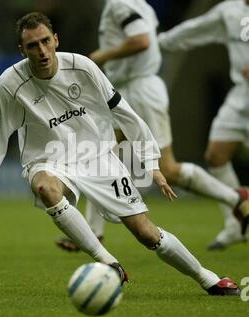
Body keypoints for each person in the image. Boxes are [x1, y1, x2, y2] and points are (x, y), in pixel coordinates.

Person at [0, 12, 241, 296]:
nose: (42, 51)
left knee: (146, 233)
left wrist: (151, 163)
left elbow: (124, 112)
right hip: (48, 160)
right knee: (46, 187)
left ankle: (207, 277)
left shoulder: (83, 67)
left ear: (55, 40)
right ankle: (108, 263)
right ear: (22, 50)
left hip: (98, 157)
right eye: (33, 45)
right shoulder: (10, 85)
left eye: (46, 41)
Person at [56, 0, 249, 252]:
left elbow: (142, 41)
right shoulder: (141, 5)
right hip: (127, 88)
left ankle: (237, 198)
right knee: (104, 155)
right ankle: (94, 233)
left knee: (166, 169)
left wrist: (101, 56)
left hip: (141, 90)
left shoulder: (120, 5)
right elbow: (174, 35)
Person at [158, 0, 249, 249]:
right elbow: (196, 29)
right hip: (241, 96)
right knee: (216, 155)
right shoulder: (231, 10)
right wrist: (160, 42)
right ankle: (236, 224)